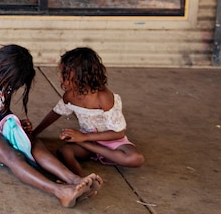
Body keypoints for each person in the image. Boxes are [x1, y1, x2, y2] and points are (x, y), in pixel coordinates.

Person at [0, 45, 102, 208]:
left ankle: (75, 180)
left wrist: (15, 122)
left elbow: (1, 110)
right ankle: (60, 192)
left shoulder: (9, 76)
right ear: (0, 67)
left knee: (34, 143)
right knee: (12, 155)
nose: (10, 87)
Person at [33, 47, 145, 176]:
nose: (61, 80)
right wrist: (35, 132)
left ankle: (89, 147)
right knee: (65, 152)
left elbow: (118, 133)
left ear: (82, 76)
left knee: (135, 158)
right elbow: (56, 113)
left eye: (65, 75)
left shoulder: (104, 97)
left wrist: (83, 138)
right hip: (86, 141)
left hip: (111, 143)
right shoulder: (70, 95)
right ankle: (81, 179)